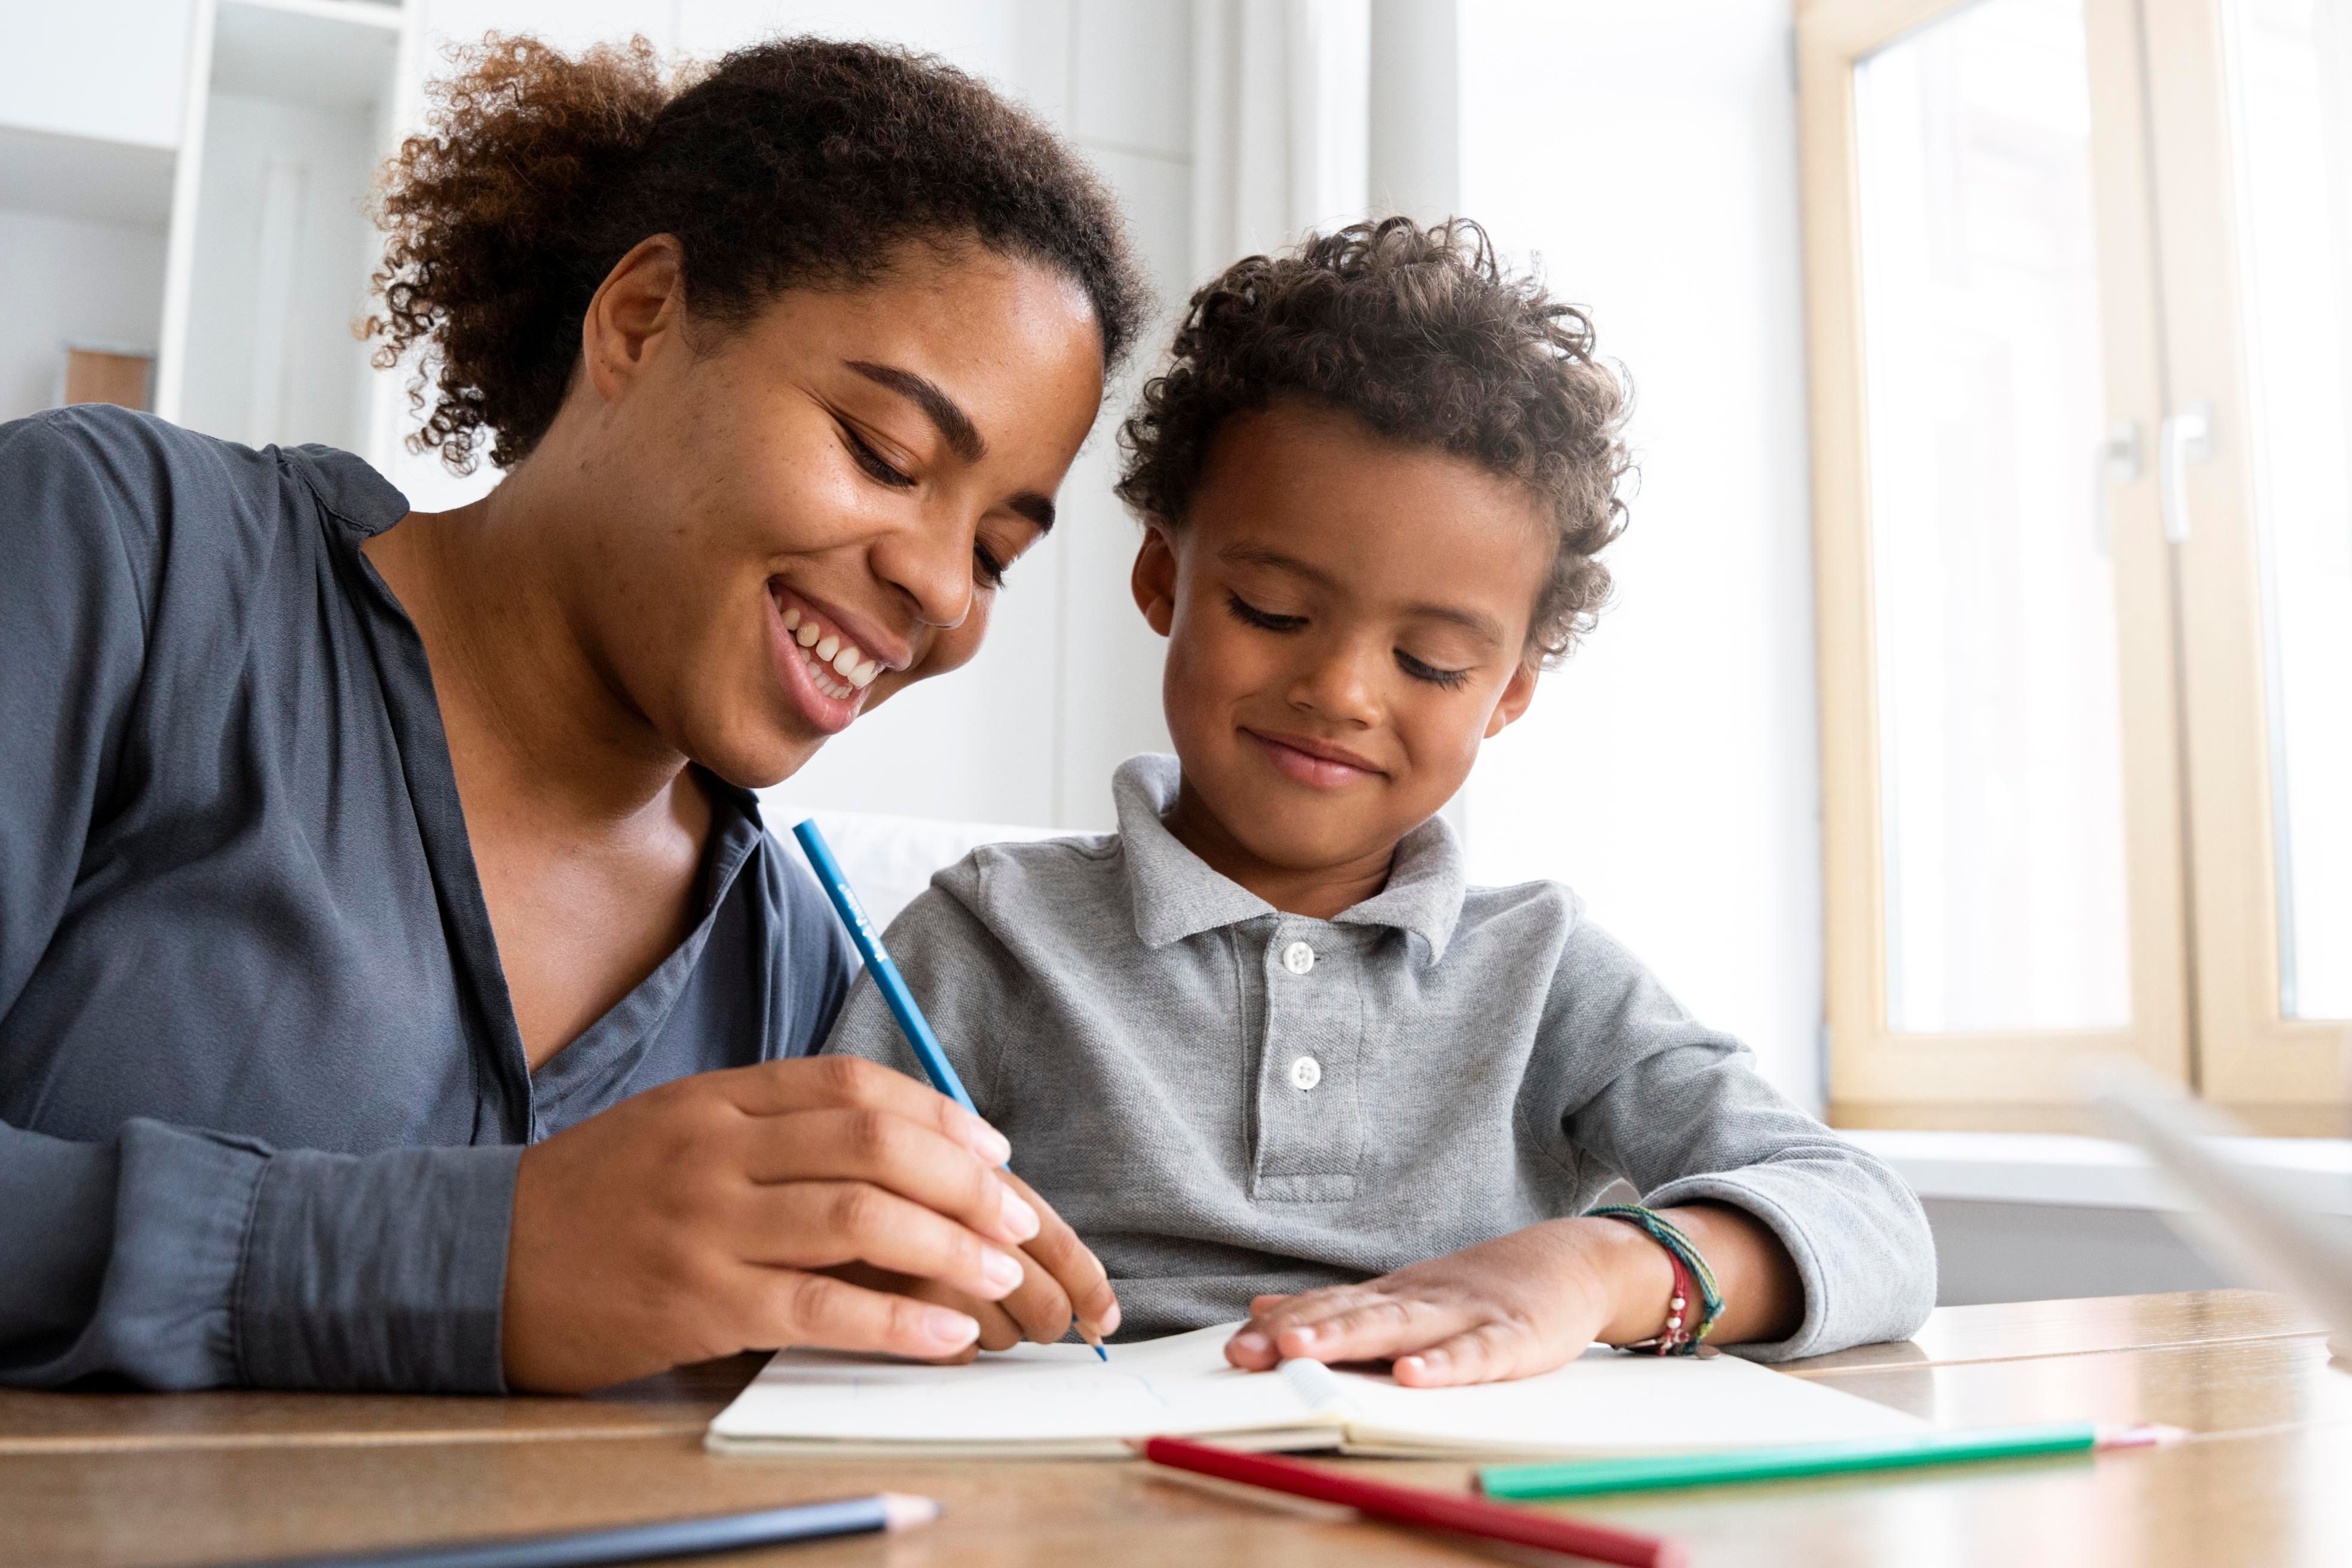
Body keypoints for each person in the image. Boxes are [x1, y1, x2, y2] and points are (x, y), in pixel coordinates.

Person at [0, 34, 1143, 1394]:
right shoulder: (128, 559)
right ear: (642, 319)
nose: (940, 590)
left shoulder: (784, 963)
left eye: (998, 554)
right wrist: (471, 1257)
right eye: (885, 455)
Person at [825, 218, 1937, 1381]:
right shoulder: (988, 935)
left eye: (1433, 664)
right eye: (1270, 610)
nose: (1341, 692)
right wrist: (908, 1270)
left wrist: (1595, 1271)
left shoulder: (1546, 972)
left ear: (1507, 691)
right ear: (1164, 577)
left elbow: (1873, 1225)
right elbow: (826, 1254)